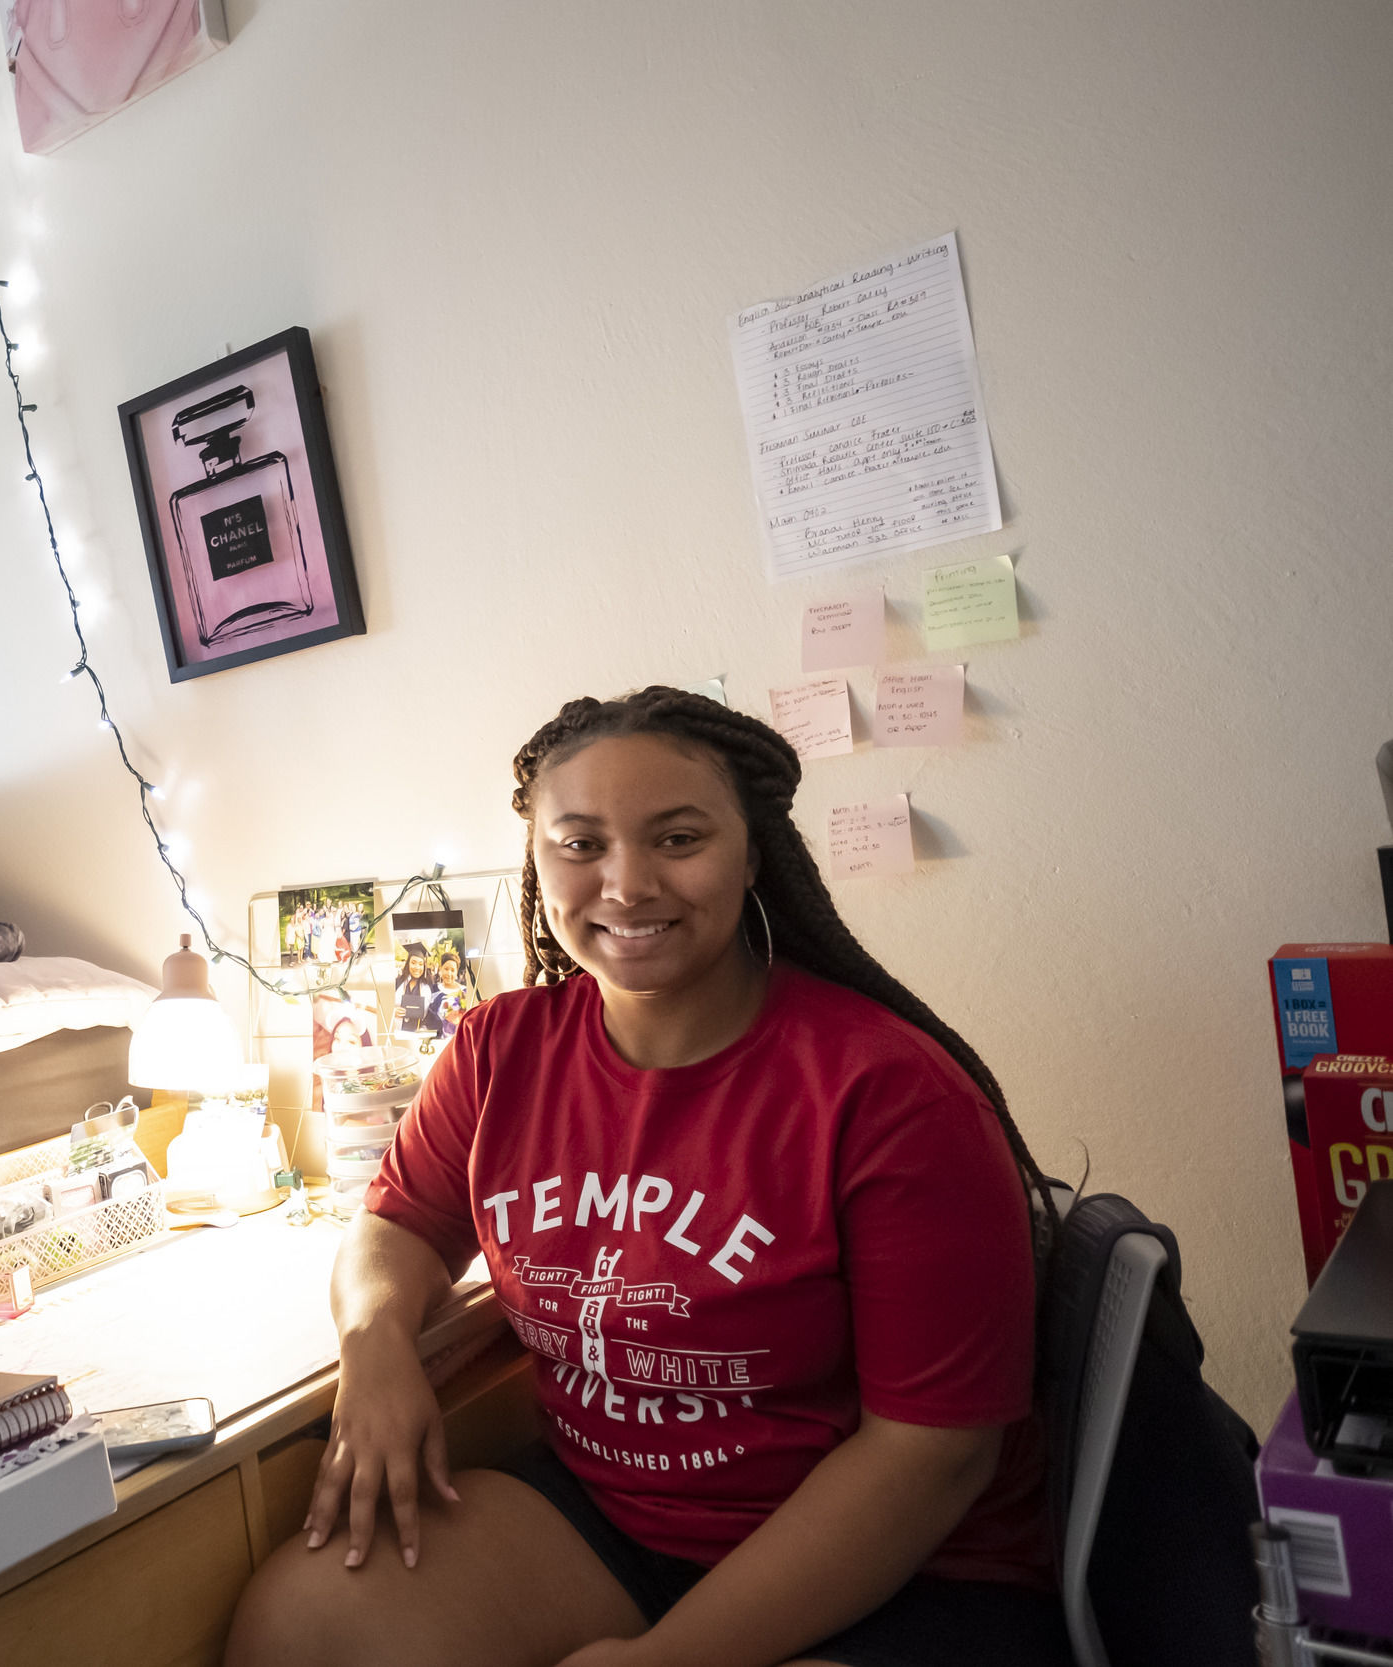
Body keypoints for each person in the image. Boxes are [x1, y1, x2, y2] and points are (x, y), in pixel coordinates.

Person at [225, 687, 1068, 1667]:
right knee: (301, 1626)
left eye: (677, 838)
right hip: (617, 1522)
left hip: (906, 1566)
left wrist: (665, 1658)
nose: (624, 885)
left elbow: (933, 1454)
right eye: (580, 844)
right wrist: (374, 1344)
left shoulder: (891, 1093)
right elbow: (398, 1225)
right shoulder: (500, 1050)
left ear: (751, 854)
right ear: (538, 861)